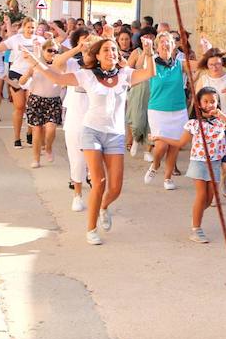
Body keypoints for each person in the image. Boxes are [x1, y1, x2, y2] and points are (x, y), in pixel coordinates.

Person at [26, 36, 142, 245]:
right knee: (99, 181)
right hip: (91, 131)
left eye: (114, 50)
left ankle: (104, 207)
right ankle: (91, 229)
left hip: (115, 134)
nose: (111, 53)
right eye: (106, 50)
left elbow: (149, 73)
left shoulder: (125, 74)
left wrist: (149, 52)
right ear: (97, 56)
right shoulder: (87, 75)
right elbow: (58, 78)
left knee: (115, 188)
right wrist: (35, 62)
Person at [175, 87, 226, 244]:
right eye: (206, 101)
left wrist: (220, 114)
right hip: (199, 162)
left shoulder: (220, 121)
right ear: (199, 103)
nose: (210, 104)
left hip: (215, 163)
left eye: (213, 101)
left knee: (210, 198)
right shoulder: (194, 123)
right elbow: (181, 143)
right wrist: (161, 139)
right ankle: (196, 229)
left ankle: (196, 215)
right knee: (202, 195)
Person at [141, 31, 197, 189]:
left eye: (169, 42)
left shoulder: (180, 64)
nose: (165, 45)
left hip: (178, 111)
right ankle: (155, 164)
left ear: (174, 46)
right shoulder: (151, 61)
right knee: (161, 145)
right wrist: (147, 51)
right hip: (158, 110)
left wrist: (207, 50)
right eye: (162, 42)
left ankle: (168, 178)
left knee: (175, 146)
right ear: (157, 46)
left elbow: (200, 65)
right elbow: (142, 65)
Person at [0, 18, 44, 147]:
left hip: (33, 75)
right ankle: (17, 138)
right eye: (28, 27)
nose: (30, 30)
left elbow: (49, 53)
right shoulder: (16, 39)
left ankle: (30, 133)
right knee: (19, 107)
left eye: (33, 27)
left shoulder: (40, 40)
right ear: (23, 27)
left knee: (32, 107)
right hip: (16, 74)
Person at [195, 48, 226, 196]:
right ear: (206, 65)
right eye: (211, 64)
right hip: (211, 126)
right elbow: (197, 104)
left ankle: (224, 178)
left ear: (223, 63)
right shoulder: (204, 80)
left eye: (218, 64)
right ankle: (213, 195)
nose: (215, 67)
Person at [18, 40, 64, 169]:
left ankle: (48, 147)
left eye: (55, 51)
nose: (52, 53)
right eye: (50, 50)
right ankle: (36, 159)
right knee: (36, 130)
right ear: (43, 51)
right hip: (36, 100)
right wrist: (27, 74)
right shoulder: (35, 65)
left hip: (53, 101)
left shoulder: (59, 66)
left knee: (51, 129)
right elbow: (21, 82)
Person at [61, 27, 93, 209]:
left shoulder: (100, 66)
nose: (87, 44)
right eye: (83, 41)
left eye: (90, 41)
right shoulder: (73, 64)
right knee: (76, 157)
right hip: (75, 115)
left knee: (95, 159)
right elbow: (57, 64)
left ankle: (98, 199)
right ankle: (77, 195)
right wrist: (77, 49)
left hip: (95, 118)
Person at [125, 29, 155, 158]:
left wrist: (152, 53)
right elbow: (133, 68)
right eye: (145, 36)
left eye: (151, 36)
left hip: (153, 88)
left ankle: (148, 150)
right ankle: (136, 139)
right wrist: (145, 52)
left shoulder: (158, 53)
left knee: (152, 121)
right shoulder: (136, 52)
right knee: (137, 120)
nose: (148, 38)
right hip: (138, 88)